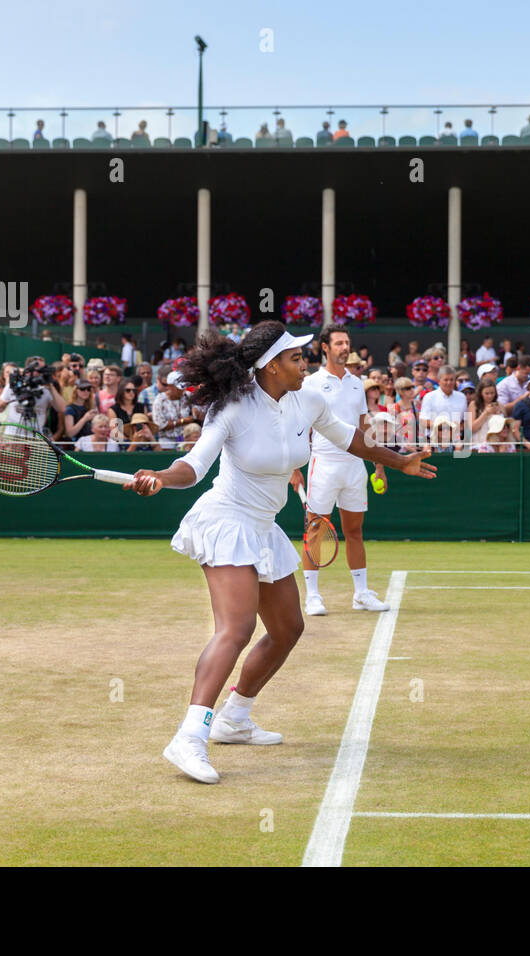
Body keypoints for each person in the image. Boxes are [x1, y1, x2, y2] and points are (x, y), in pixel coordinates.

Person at [124, 321, 434, 785]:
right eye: (295, 357)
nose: (304, 362)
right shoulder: (231, 407)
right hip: (227, 521)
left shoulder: (308, 399)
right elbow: (193, 465)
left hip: (264, 528)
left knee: (288, 627)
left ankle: (235, 717)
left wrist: (399, 460)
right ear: (270, 366)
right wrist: (162, 478)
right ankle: (190, 736)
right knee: (237, 627)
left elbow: (351, 438)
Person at [290, 325, 390, 616]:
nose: (345, 348)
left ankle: (361, 594)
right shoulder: (310, 384)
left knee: (354, 530)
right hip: (323, 464)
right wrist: (295, 468)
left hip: (354, 467)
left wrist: (379, 464)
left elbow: (364, 428)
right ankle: (313, 596)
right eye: (339, 343)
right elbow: (299, 428)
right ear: (325, 348)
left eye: (347, 343)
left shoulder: (358, 383)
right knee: (316, 530)